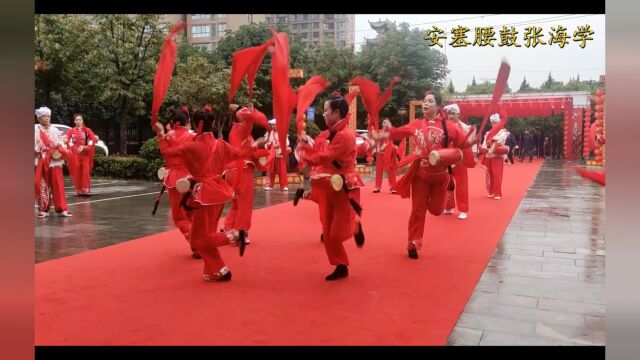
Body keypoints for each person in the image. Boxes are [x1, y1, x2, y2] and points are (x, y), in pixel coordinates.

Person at [376, 90, 473, 259]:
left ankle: (432, 204)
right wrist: (385, 133)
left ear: (438, 106)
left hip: (441, 176)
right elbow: (398, 133)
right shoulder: (416, 124)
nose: (425, 104)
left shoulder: (448, 125)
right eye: (424, 101)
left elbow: (463, 142)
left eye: (430, 101)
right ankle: (413, 243)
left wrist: (472, 139)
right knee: (417, 211)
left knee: (436, 210)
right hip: (420, 175)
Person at [158, 109, 252, 282]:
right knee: (205, 235)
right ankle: (217, 270)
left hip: (205, 195)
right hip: (220, 192)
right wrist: (255, 148)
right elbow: (240, 154)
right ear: (214, 124)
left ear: (194, 124)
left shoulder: (191, 146)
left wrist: (161, 136)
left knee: (198, 238)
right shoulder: (221, 144)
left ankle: (235, 236)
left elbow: (168, 154)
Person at [298, 94, 364, 280]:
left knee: (336, 234)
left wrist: (305, 158)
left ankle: (355, 225)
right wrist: (305, 146)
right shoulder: (327, 134)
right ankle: (341, 265)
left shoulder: (344, 136)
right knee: (327, 232)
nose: (324, 114)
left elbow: (326, 155)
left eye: (326, 110)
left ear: (337, 112)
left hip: (343, 187)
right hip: (328, 184)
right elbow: (319, 150)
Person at [154, 106, 198, 258]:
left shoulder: (167, 136)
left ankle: (196, 242)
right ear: (188, 121)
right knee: (193, 212)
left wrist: (160, 134)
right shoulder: (194, 136)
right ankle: (198, 244)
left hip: (174, 179)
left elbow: (165, 153)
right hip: (192, 177)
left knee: (180, 216)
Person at [220, 104, 268, 245]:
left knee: (236, 203)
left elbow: (252, 153)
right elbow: (251, 117)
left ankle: (228, 228)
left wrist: (260, 147)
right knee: (245, 203)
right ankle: (240, 232)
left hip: (232, 171)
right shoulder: (241, 129)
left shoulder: (241, 133)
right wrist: (245, 108)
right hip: (241, 170)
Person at [34, 107, 72, 218]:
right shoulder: (35, 129)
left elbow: (60, 143)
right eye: (44, 117)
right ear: (39, 118)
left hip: (55, 161)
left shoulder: (55, 130)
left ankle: (62, 209)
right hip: (41, 160)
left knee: (58, 184)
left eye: (48, 116)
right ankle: (43, 209)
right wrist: (39, 148)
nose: (46, 119)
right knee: (42, 186)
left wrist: (60, 148)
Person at [442, 103, 473, 220]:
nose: (450, 116)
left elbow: (471, 142)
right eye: (449, 113)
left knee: (461, 185)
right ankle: (448, 207)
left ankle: (463, 209)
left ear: (458, 114)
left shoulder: (465, 127)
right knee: (447, 184)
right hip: (447, 159)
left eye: (453, 113)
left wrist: (473, 155)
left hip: (460, 159)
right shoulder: (443, 127)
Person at [65, 114, 100, 196]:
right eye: (76, 120)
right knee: (77, 172)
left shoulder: (88, 130)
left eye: (80, 120)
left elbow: (93, 139)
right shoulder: (71, 131)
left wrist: (95, 138)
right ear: (74, 121)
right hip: (75, 155)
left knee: (85, 172)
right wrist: (65, 139)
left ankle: (86, 189)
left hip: (85, 155)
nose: (78, 121)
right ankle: (79, 190)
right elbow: (67, 138)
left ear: (82, 121)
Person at [482, 113, 510, 200]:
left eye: (495, 122)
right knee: (489, 175)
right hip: (489, 155)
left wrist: (492, 141)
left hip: (497, 155)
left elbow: (501, 139)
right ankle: (491, 191)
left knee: (497, 175)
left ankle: (497, 193)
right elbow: (484, 144)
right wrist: (484, 147)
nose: (493, 124)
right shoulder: (488, 133)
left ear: (499, 123)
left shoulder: (503, 131)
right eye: (492, 123)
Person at [264, 119, 290, 191]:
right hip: (271, 155)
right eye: (271, 125)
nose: (272, 126)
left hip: (280, 154)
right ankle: (269, 185)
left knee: (282, 171)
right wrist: (268, 145)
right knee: (271, 170)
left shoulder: (282, 133)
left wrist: (279, 145)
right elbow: (265, 144)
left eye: (273, 125)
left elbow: (287, 143)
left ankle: (284, 186)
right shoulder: (269, 133)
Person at [373, 118, 398, 194]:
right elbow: (376, 138)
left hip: (390, 153)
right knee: (379, 171)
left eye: (386, 122)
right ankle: (377, 187)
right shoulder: (380, 131)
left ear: (390, 123)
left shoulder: (392, 131)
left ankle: (393, 187)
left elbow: (396, 136)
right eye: (383, 122)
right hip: (380, 153)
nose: (385, 123)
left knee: (391, 170)